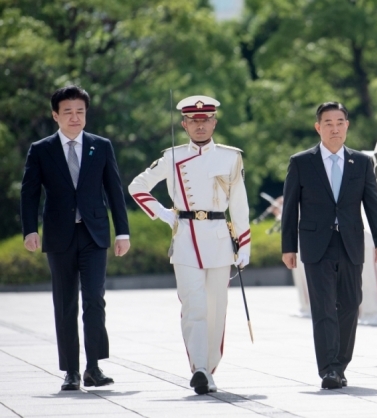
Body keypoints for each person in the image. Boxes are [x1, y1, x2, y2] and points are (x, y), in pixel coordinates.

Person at [128, 95, 251, 393]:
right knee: (193, 307)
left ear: (214, 122)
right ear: (184, 124)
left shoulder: (230, 156)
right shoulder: (172, 156)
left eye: (205, 120)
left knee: (216, 309)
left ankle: (209, 368)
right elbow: (137, 186)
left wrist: (244, 244)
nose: (200, 125)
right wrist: (164, 214)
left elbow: (239, 203)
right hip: (185, 240)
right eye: (194, 121)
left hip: (221, 240)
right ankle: (198, 369)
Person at [20, 85, 130, 391]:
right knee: (65, 302)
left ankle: (94, 366)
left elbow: (115, 191)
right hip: (59, 236)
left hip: (94, 235)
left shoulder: (101, 146)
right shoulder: (41, 150)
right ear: (56, 115)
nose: (75, 117)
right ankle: (70, 370)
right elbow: (29, 193)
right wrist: (30, 230)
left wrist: (122, 231)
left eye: (80, 111)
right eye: (67, 111)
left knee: (94, 298)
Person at [281, 102, 377, 389]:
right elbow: (291, 208)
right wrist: (288, 247)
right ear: (318, 127)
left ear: (347, 125)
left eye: (340, 122)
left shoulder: (362, 162)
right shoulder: (301, 162)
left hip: (351, 242)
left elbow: (373, 205)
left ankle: (340, 364)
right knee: (323, 307)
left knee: (351, 304)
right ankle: (328, 369)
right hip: (316, 245)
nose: (334, 128)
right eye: (328, 123)